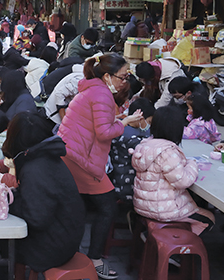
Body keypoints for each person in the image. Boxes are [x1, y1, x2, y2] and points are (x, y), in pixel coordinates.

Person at [57, 53, 143, 278]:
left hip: (73, 152)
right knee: (107, 206)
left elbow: (98, 123)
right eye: (123, 77)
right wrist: (123, 123)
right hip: (81, 157)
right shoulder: (102, 94)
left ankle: (73, 253)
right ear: (107, 76)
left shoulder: (93, 88)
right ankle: (94, 258)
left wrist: (118, 120)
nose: (126, 81)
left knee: (82, 207)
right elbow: (104, 132)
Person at [3, 112, 85, 273]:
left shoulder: (36, 168)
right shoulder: (46, 157)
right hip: (65, 236)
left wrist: (8, 201)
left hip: (52, 247)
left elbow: (36, 218)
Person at [131, 106, 215, 236]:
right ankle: (178, 249)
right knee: (209, 218)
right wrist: (192, 164)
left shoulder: (144, 146)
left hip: (143, 205)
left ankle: (154, 237)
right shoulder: (168, 152)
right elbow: (183, 181)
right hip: (164, 210)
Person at [109, 98, 155, 203]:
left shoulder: (125, 127)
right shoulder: (128, 136)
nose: (149, 126)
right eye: (149, 122)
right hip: (126, 181)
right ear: (140, 118)